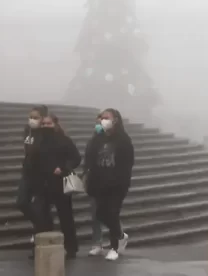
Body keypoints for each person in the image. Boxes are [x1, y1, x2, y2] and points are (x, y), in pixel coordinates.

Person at [85, 109, 134, 261]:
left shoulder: (123, 140)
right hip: (99, 182)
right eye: (102, 118)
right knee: (100, 214)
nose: (103, 120)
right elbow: (90, 157)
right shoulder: (98, 138)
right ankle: (120, 235)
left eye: (107, 117)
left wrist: (121, 182)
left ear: (116, 120)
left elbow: (128, 163)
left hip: (116, 184)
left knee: (112, 213)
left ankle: (114, 247)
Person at [30, 114, 81, 259]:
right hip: (42, 184)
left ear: (55, 124)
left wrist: (63, 168)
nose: (46, 126)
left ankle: (71, 248)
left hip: (60, 183)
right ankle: (42, 247)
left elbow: (76, 158)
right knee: (41, 217)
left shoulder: (64, 140)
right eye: (44, 124)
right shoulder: (37, 141)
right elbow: (32, 161)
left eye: (49, 123)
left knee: (65, 217)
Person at [18, 105, 50, 254]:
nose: (32, 120)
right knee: (21, 202)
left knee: (40, 208)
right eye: (30, 117)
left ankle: (40, 234)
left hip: (41, 175)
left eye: (36, 117)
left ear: (42, 118)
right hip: (27, 173)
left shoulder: (46, 133)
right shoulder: (27, 130)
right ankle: (42, 228)